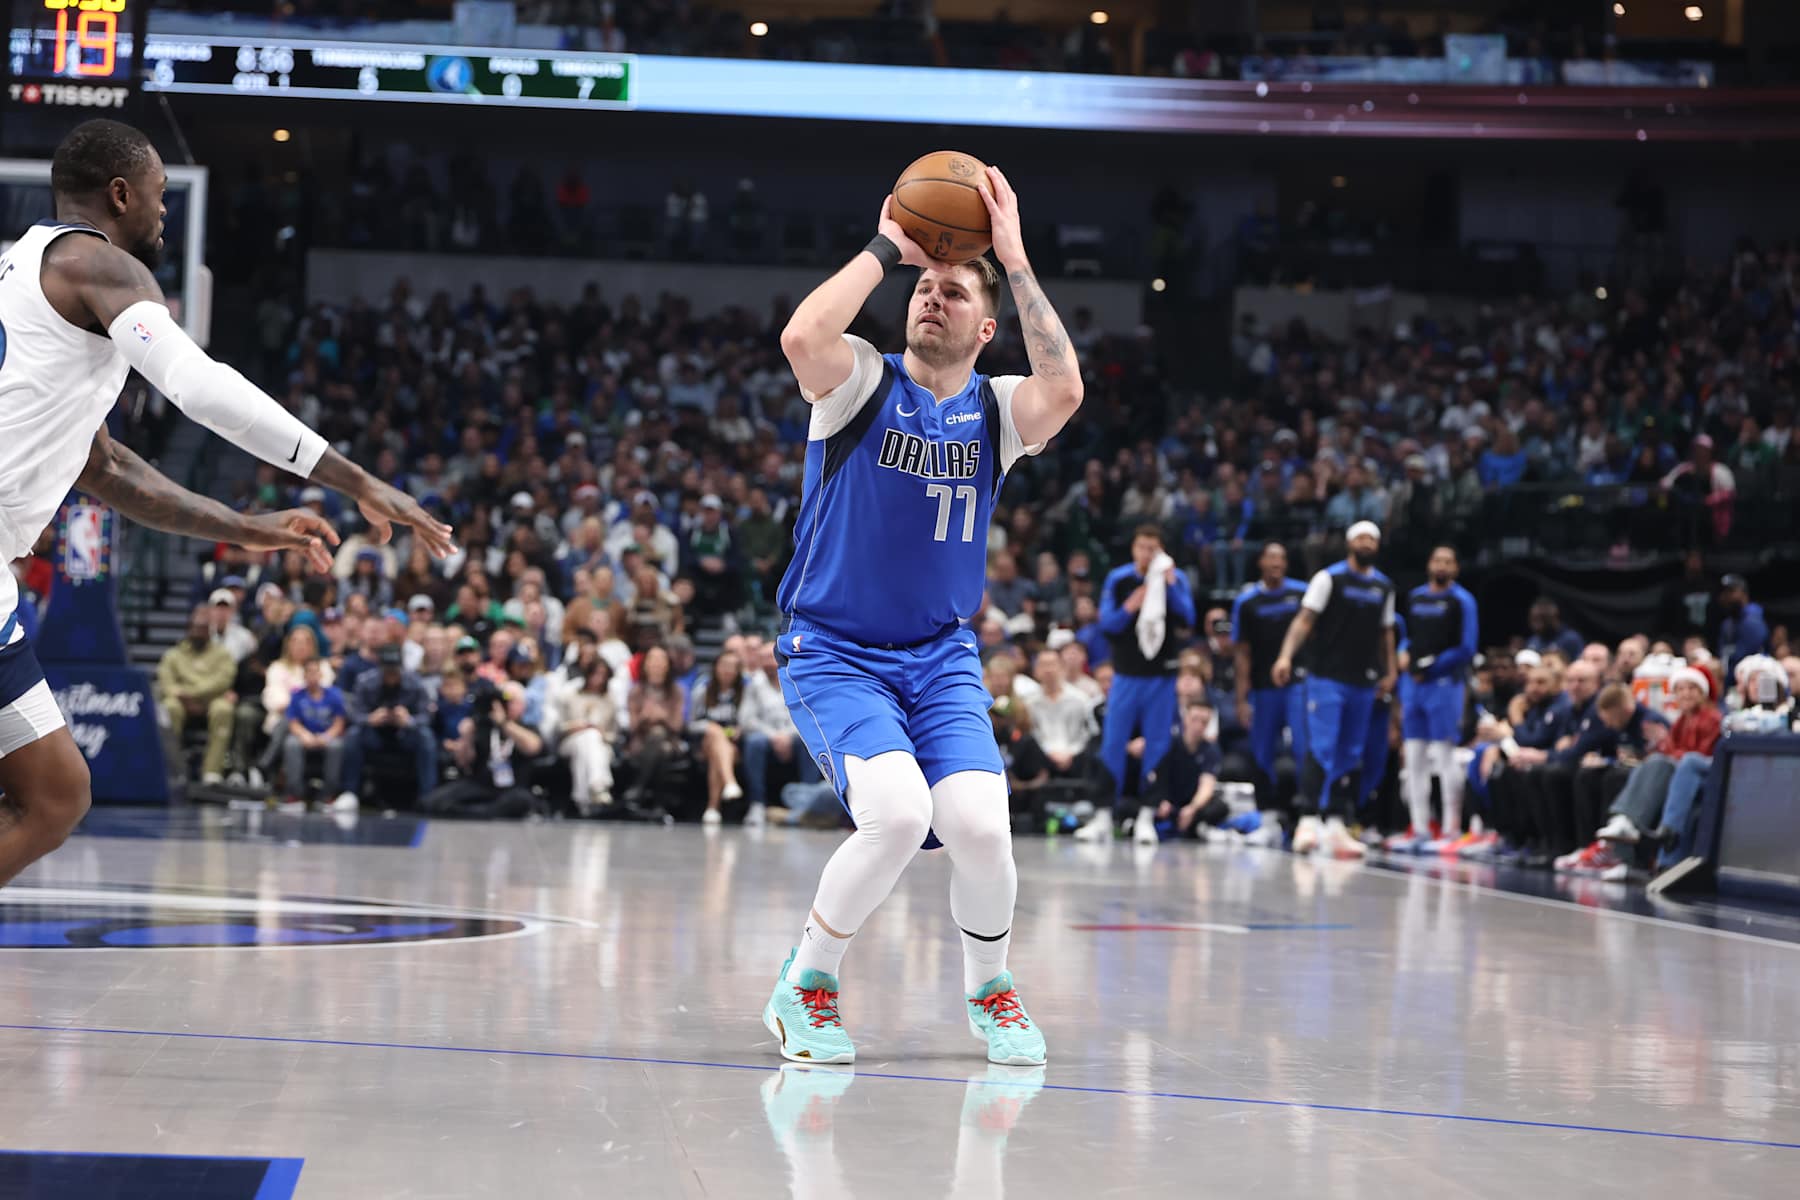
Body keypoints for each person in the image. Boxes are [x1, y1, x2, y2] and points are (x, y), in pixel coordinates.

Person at [0, 119, 453, 887]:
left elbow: (110, 469)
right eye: (156, 196)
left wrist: (249, 528)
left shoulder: (27, 272)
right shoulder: (98, 263)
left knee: (56, 794)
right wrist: (354, 478)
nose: (164, 213)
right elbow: (200, 386)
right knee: (53, 796)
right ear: (119, 194)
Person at [764, 167, 1081, 1066]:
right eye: (924, 290)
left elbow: (1065, 391)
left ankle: (992, 989)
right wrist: (889, 246)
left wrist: (1012, 260)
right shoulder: (857, 382)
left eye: (952, 292)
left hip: (939, 658)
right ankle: (806, 984)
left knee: (983, 825)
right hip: (834, 649)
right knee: (899, 816)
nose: (931, 300)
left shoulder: (994, 408)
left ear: (987, 329)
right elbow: (800, 334)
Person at [1271, 521, 1397, 859]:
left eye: (1373, 538)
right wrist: (1285, 656)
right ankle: (1308, 819)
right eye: (1362, 537)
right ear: (1350, 542)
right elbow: (1304, 620)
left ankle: (1337, 822)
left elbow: (1387, 633)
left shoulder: (1384, 587)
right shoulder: (1329, 578)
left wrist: (1391, 670)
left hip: (1363, 680)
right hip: (1327, 677)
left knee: (1351, 752)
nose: (1367, 542)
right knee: (1322, 746)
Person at [1076, 525, 1194, 846]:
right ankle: (1102, 815)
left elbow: (1188, 618)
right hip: (1126, 675)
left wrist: (1169, 587)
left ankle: (1147, 816)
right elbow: (1109, 625)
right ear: (1133, 549)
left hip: (1161, 676)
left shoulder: (1176, 579)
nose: (1146, 554)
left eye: (1153, 549)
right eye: (1142, 547)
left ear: (1161, 551)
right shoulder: (1119, 580)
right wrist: (1132, 604)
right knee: (1113, 743)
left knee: (1157, 745)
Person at [1392, 546, 1480, 852]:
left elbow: (1467, 647)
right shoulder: (1416, 596)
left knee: (1444, 756)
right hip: (1413, 686)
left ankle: (1450, 828)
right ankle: (1419, 827)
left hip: (1444, 684)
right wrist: (1404, 652)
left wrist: (1428, 666)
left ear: (1455, 568)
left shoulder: (1462, 600)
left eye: (1448, 561)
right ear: (1429, 564)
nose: (1441, 565)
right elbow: (1409, 635)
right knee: (1414, 756)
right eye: (1437, 560)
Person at [1230, 542, 1308, 804]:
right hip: (1263, 687)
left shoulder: (1302, 594)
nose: (1276, 562)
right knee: (1261, 751)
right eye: (1271, 557)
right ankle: (1267, 813)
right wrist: (1241, 699)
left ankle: (1306, 812)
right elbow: (1242, 654)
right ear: (1260, 562)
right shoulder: (1246, 602)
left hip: (1299, 683)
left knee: (1303, 747)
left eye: (1281, 557)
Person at [339, 643, 437, 812]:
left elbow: (427, 716)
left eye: (394, 670)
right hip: (375, 733)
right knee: (354, 734)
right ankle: (350, 792)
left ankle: (428, 796)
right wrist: (369, 719)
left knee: (425, 736)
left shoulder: (415, 683)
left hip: (404, 734)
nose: (391, 674)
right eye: (387, 670)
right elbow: (353, 713)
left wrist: (409, 720)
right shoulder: (365, 681)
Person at [156, 607, 238, 785]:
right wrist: (181, 695)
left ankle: (212, 772)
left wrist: (191, 694)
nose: (199, 631)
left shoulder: (222, 654)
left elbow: (223, 681)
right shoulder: (174, 655)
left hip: (210, 701)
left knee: (223, 708)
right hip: (181, 703)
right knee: (169, 707)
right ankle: (171, 768)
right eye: (196, 627)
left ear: (210, 630)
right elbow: (166, 682)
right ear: (188, 628)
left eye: (203, 628)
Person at [281, 658, 349, 807]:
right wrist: (305, 735)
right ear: (304, 675)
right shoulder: (297, 695)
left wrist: (326, 736)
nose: (313, 675)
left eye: (316, 672)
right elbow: (293, 723)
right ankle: (295, 794)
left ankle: (328, 795)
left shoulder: (334, 694)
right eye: (309, 672)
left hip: (327, 736)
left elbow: (339, 722)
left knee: (337, 746)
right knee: (291, 743)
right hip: (305, 735)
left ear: (321, 674)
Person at [1716, 574, 1769, 674]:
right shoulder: (1727, 623)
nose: (1725, 597)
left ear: (1744, 593)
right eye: (1723, 593)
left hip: (1750, 681)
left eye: (1731, 592)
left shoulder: (1753, 621)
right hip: (1730, 683)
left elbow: (1743, 657)